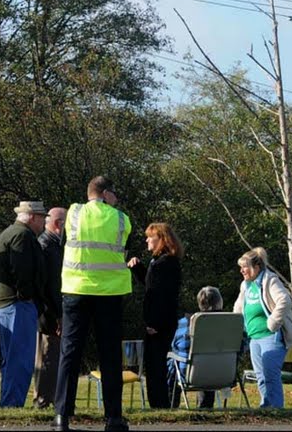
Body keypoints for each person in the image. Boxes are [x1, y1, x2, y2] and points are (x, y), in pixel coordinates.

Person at [53, 176, 132, 432]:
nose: (116, 199)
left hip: (76, 290)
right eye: (114, 194)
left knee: (70, 353)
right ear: (106, 193)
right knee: (109, 356)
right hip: (110, 293)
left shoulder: (74, 213)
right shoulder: (121, 219)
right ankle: (113, 418)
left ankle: (61, 416)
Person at [0, 200, 48, 407]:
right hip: (18, 304)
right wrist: (28, 296)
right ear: (33, 217)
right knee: (21, 359)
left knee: (11, 357)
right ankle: (12, 403)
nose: (44, 222)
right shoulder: (22, 236)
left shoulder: (11, 233)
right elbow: (22, 271)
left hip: (8, 304)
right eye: (42, 217)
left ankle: (8, 401)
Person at [232, 247, 292, 408]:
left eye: (245, 267)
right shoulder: (246, 285)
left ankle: (276, 409)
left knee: (270, 374)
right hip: (254, 338)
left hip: (271, 337)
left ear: (256, 268)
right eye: (241, 267)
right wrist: (236, 327)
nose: (242, 270)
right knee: (261, 376)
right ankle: (266, 407)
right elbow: (239, 308)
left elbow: (285, 301)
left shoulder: (270, 280)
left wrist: (273, 324)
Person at [126, 222, 183, 408]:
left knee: (155, 365)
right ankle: (159, 403)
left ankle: (159, 404)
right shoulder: (160, 261)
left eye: (151, 237)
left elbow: (161, 296)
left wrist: (154, 322)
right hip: (162, 320)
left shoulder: (165, 263)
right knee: (154, 363)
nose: (147, 240)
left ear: (162, 240)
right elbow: (151, 284)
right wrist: (138, 269)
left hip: (160, 321)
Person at [168, 285, 223, 409]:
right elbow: (241, 346)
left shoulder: (187, 322)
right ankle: (205, 406)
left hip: (192, 374)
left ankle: (172, 406)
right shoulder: (231, 322)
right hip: (223, 374)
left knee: (172, 361)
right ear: (220, 302)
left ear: (200, 302)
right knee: (211, 362)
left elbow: (177, 346)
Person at [33, 207, 66, 409]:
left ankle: (46, 398)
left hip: (46, 310)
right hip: (49, 313)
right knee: (48, 356)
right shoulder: (49, 247)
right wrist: (59, 315)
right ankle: (43, 400)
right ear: (59, 223)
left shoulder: (47, 245)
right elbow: (53, 285)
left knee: (49, 356)